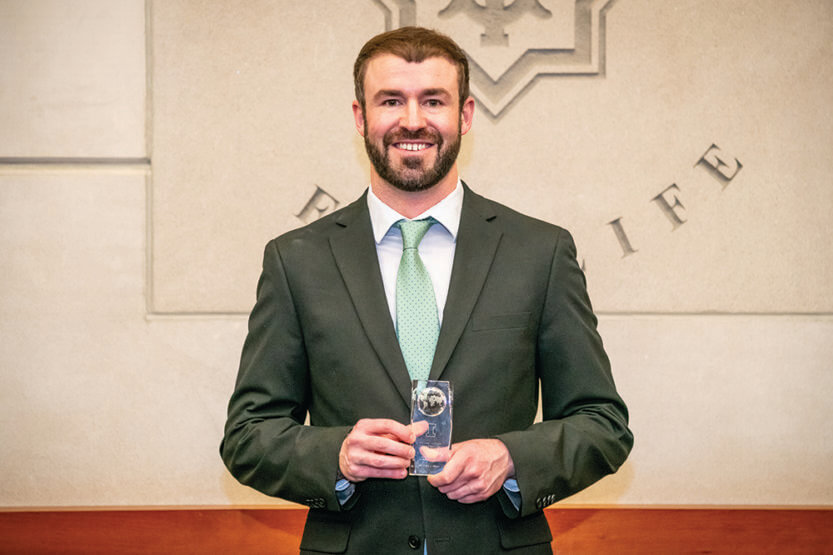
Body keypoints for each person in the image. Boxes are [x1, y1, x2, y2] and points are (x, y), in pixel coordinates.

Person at [221, 26, 633, 554]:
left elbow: (602, 424)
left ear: (464, 115)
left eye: (432, 101)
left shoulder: (540, 252)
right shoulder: (295, 259)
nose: (412, 121)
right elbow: (248, 436)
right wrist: (337, 456)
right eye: (391, 100)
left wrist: (509, 458)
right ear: (360, 117)